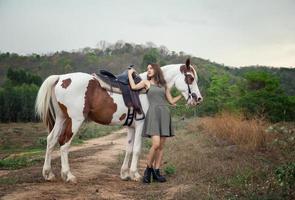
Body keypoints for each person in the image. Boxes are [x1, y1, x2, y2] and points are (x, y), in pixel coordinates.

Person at [128, 63, 182, 183]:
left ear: (156, 70)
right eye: (147, 69)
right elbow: (133, 87)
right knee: (156, 144)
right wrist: (129, 74)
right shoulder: (146, 83)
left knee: (161, 147)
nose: (149, 70)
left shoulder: (164, 85)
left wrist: (182, 95)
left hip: (165, 114)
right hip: (153, 114)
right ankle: (148, 170)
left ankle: (157, 171)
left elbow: (171, 101)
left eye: (151, 68)